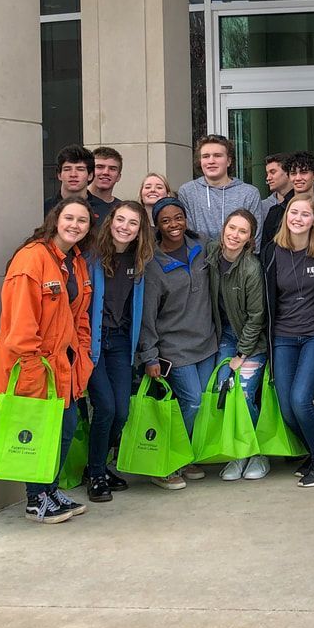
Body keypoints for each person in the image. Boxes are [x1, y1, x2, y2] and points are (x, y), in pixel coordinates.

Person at [0, 198, 94, 523]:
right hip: (33, 365)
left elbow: (80, 316)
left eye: (83, 221)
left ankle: (50, 488)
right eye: (69, 218)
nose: (75, 225)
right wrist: (33, 369)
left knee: (65, 428)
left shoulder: (75, 261)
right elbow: (20, 325)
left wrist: (83, 355)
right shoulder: (31, 260)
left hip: (64, 366)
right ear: (55, 220)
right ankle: (36, 500)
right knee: (40, 432)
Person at [258, 151, 314, 456]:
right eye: (293, 213)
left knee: (300, 399)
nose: (298, 218)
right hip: (283, 336)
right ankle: (313, 449)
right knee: (286, 407)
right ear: (285, 216)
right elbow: (266, 297)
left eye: (305, 214)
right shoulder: (270, 253)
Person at [138, 197, 219, 490]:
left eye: (178, 218)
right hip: (174, 348)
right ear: (157, 226)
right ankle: (165, 463)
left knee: (200, 405)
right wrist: (149, 355)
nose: (174, 225)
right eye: (166, 221)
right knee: (192, 401)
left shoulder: (204, 246)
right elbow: (147, 314)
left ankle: (185, 458)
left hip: (206, 343)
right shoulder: (153, 263)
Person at [84, 201, 155, 503]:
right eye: (120, 220)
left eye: (133, 223)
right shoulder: (93, 257)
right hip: (94, 342)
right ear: (111, 221)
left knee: (122, 411)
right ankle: (96, 473)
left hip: (121, 342)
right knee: (106, 408)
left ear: (141, 230)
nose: (124, 227)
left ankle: (97, 465)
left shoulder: (140, 260)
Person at [206, 209, 269, 481]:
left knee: (243, 395)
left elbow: (257, 316)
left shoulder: (251, 268)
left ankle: (255, 453)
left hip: (250, 341)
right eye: (232, 228)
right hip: (224, 336)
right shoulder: (209, 255)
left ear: (250, 239)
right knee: (223, 392)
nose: (235, 235)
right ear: (223, 229)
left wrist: (241, 354)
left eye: (242, 232)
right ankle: (235, 454)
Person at [177, 134, 262, 242]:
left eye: (217, 155)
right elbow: (189, 238)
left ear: (229, 161)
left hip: (239, 258)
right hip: (199, 258)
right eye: (206, 156)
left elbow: (254, 240)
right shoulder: (187, 192)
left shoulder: (249, 193)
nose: (211, 161)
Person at [44, 145, 103, 220]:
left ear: (90, 175)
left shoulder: (105, 210)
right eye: (67, 169)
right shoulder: (44, 208)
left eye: (80, 169)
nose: (73, 174)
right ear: (59, 175)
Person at [87, 146, 124, 222]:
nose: (106, 172)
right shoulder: (76, 203)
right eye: (100, 167)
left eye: (112, 169)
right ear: (89, 172)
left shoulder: (122, 209)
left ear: (118, 177)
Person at [259, 153, 292, 232]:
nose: (268, 178)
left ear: (288, 173)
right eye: (267, 173)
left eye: (273, 172)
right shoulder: (263, 206)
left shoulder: (305, 202)